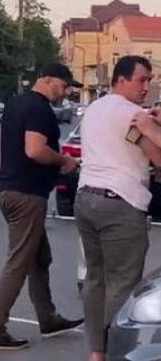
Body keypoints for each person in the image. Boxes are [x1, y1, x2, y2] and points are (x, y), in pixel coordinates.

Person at [0, 63, 83, 351]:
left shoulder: (17, 103)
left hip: (12, 190)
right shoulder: (39, 109)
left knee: (40, 257)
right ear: (48, 80)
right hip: (27, 195)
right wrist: (63, 161)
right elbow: (35, 149)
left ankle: (48, 317)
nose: (65, 93)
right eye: (64, 86)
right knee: (19, 262)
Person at [75, 55, 161, 361]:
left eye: (150, 80)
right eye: (141, 80)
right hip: (120, 204)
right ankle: (114, 351)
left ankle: (96, 351)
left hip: (85, 199)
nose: (146, 86)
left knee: (95, 279)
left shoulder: (94, 108)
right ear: (121, 80)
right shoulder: (135, 116)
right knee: (123, 283)